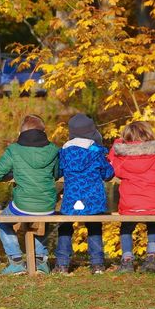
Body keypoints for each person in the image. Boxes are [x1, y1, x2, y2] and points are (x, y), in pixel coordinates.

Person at [0, 115, 61, 275]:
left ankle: (16, 262)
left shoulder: (14, 150)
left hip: (22, 205)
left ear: (21, 131)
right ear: (43, 131)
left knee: (2, 221)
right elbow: (56, 174)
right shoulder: (53, 150)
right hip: (47, 205)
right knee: (42, 218)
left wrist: (15, 172)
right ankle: (40, 261)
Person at [54, 114, 114, 275]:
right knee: (94, 227)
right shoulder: (96, 150)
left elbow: (58, 171)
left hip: (71, 197)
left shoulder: (64, 151)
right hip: (92, 198)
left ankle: (62, 264)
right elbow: (107, 173)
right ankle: (97, 265)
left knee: (65, 227)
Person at [108, 121, 155, 273]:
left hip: (131, 203)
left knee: (126, 227)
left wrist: (117, 144)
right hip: (154, 202)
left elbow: (112, 166)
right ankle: (151, 257)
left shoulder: (123, 157)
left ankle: (127, 259)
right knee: (154, 225)